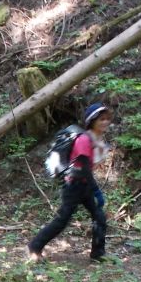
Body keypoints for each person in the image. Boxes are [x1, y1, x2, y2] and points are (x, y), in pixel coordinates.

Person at [28, 103, 112, 263]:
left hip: (84, 184)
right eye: (101, 119)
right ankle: (35, 246)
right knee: (62, 220)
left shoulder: (95, 139)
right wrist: (96, 191)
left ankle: (98, 254)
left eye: (107, 119)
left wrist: (93, 189)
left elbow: (88, 169)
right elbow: (84, 168)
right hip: (74, 185)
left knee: (99, 216)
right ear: (92, 121)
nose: (105, 122)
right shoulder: (84, 140)